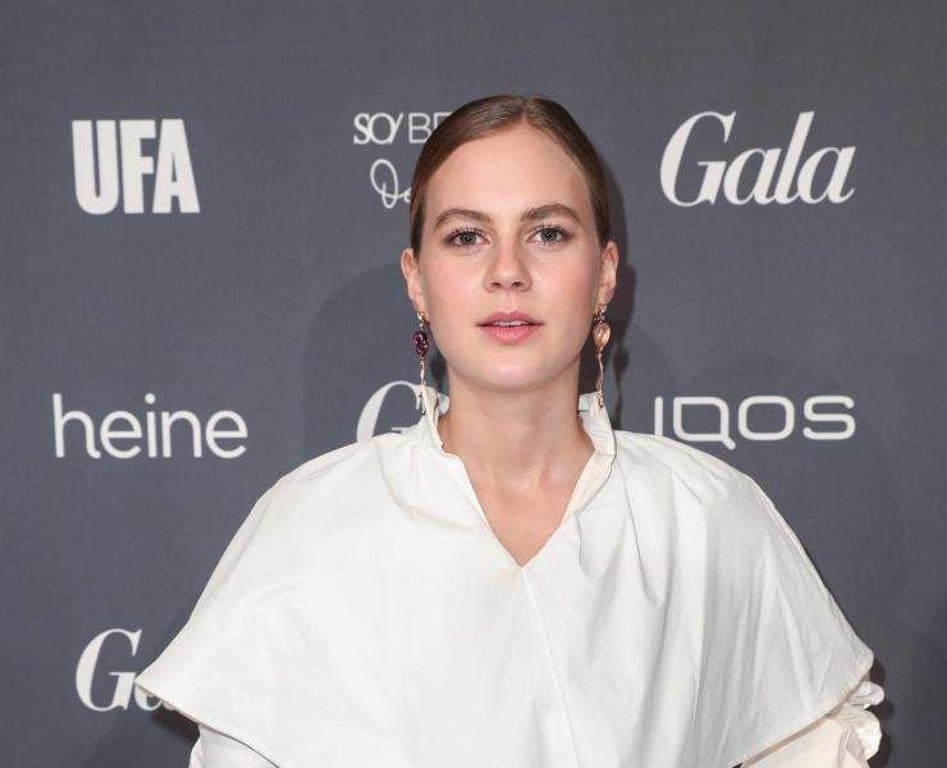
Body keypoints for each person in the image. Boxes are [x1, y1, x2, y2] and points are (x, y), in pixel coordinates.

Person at [134, 94, 884, 768]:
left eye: (548, 232)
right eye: (466, 236)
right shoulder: (311, 527)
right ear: (417, 279)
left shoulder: (707, 519)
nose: (508, 271)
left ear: (605, 273)